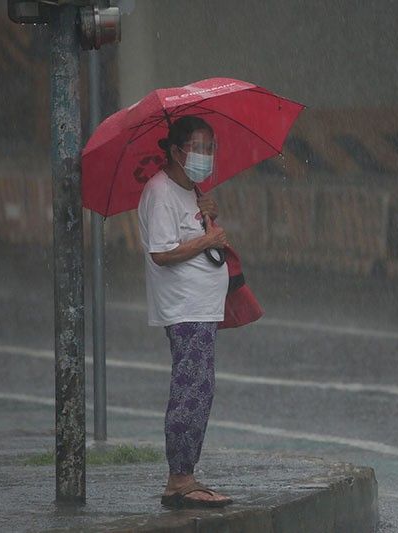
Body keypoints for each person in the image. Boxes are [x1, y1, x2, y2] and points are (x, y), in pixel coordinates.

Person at [137, 115, 233, 508]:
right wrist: (208, 238)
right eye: (199, 148)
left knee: (202, 388)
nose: (206, 156)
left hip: (202, 307)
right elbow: (161, 253)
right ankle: (180, 480)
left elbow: (201, 243)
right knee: (190, 390)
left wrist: (208, 216)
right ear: (177, 151)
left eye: (211, 148)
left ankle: (186, 474)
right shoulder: (160, 192)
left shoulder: (191, 191)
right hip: (184, 308)